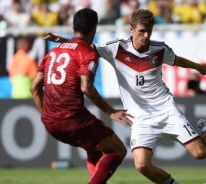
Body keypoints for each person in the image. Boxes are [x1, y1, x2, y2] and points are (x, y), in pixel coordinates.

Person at [44, 9, 206, 184]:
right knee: (142, 165)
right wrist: (62, 40)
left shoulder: (159, 49)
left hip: (166, 110)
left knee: (201, 153)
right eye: (142, 31)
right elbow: (84, 47)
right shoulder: (115, 48)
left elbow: (177, 60)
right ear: (132, 29)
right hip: (140, 118)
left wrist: (198, 67)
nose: (146, 36)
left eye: (149, 31)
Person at [30, 8, 133, 184]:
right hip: (73, 119)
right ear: (94, 29)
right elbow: (87, 87)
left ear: (73, 26)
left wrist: (46, 115)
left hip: (49, 122)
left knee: (94, 148)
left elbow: (34, 87)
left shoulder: (53, 52)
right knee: (118, 150)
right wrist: (110, 112)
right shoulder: (87, 53)